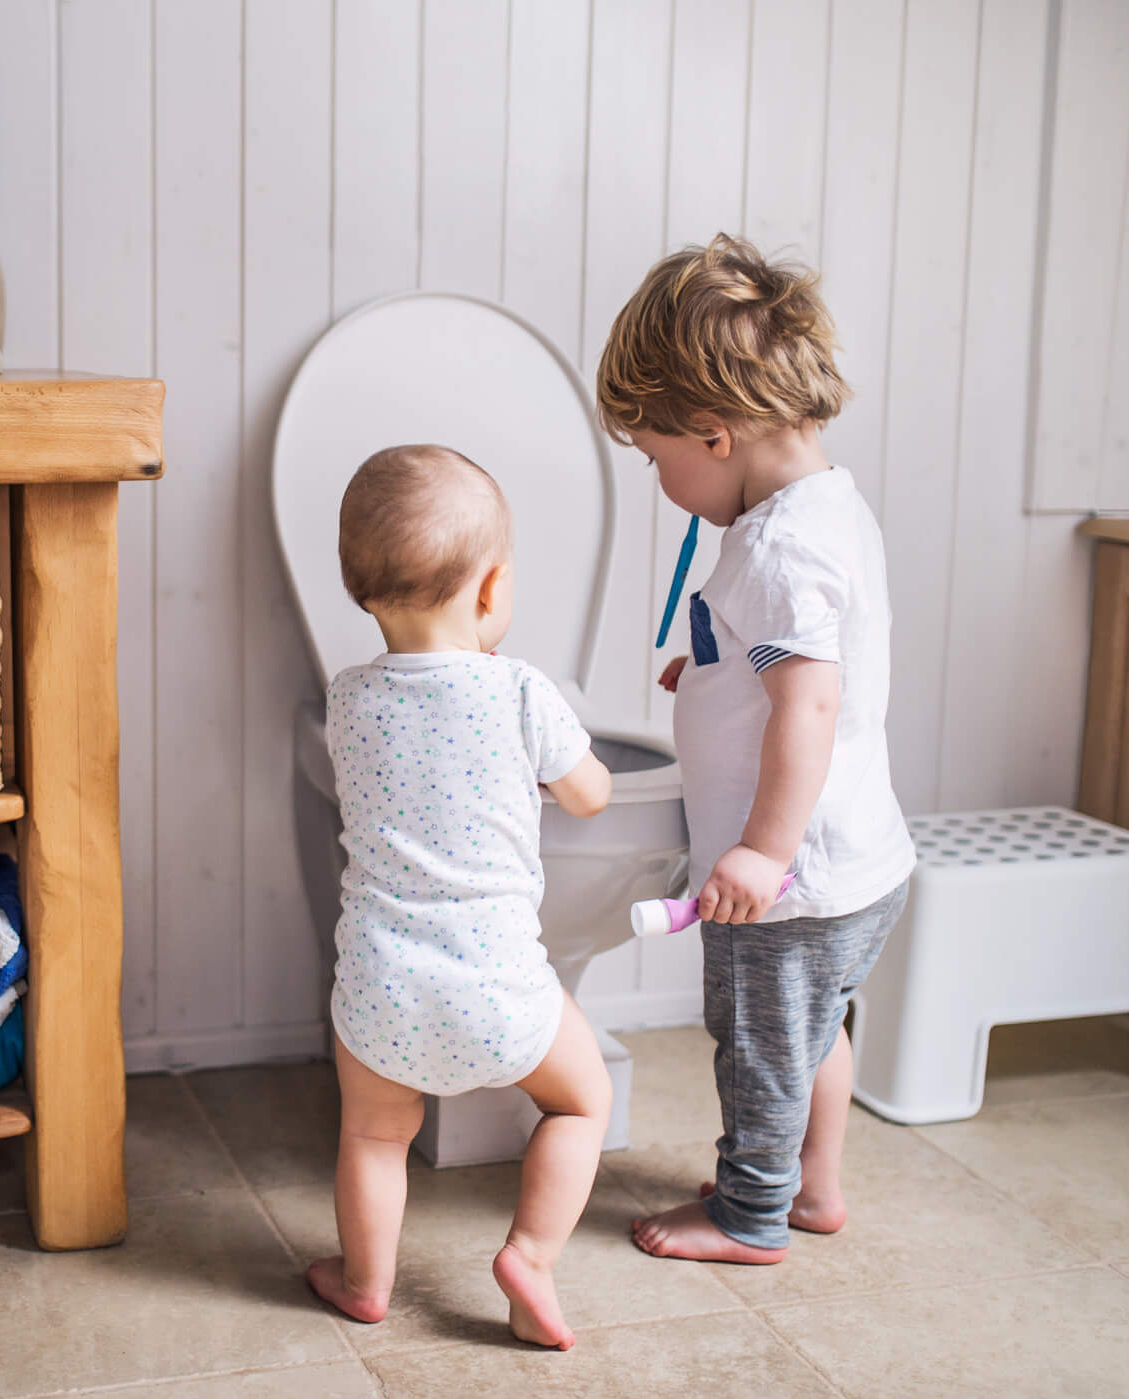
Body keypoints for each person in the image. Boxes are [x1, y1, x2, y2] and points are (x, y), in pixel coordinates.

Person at [598, 235, 916, 1264]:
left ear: (714, 432)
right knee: (811, 1032)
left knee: (761, 1049)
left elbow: (807, 708)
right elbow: (799, 667)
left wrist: (760, 852)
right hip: (856, 859)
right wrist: (711, 668)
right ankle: (812, 1185)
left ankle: (750, 1214)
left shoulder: (777, 549)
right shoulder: (819, 507)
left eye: (656, 458)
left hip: (790, 875)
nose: (659, 478)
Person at [306, 444, 617, 1348]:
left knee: (371, 1136)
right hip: (498, 986)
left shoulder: (348, 698)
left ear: (361, 592)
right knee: (579, 1100)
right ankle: (528, 1254)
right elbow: (592, 792)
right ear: (490, 592)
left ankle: (366, 1282)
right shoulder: (521, 690)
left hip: (380, 989)